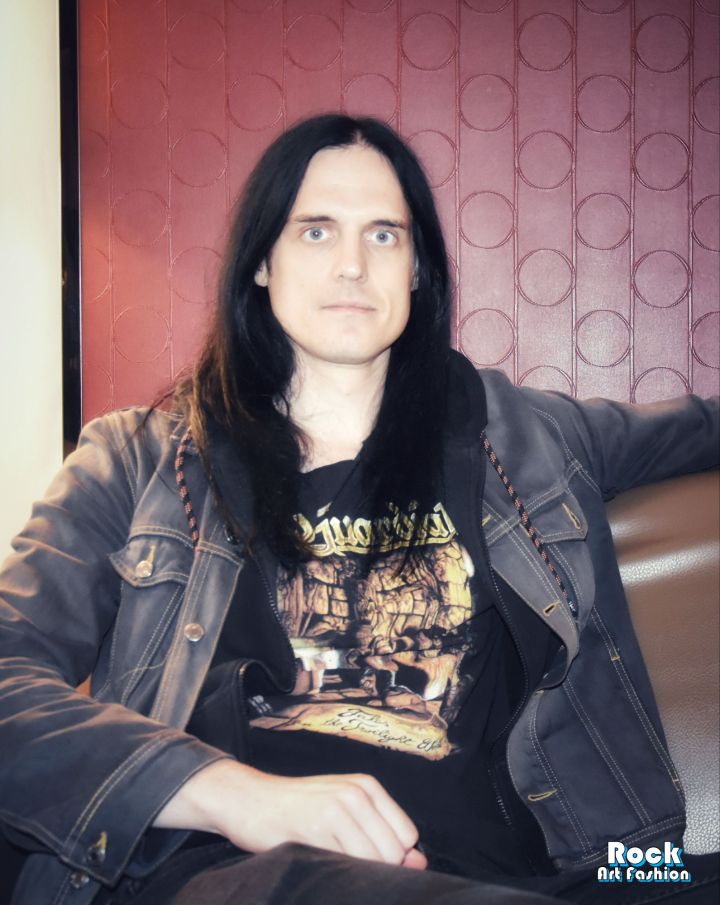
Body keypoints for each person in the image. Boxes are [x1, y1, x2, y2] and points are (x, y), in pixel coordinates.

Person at [0, 114, 718, 905]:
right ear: (262, 262)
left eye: (384, 235)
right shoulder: (136, 463)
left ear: (417, 269)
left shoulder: (525, 438)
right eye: (315, 231)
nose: (351, 264)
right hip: (237, 877)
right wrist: (232, 794)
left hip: (520, 876)